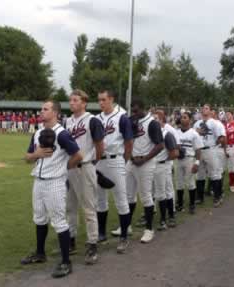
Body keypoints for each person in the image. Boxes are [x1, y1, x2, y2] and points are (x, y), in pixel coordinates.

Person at [21, 99, 82, 279]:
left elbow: (78, 155)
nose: (41, 111)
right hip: (38, 181)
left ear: (55, 112)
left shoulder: (61, 134)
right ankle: (40, 253)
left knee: (59, 221)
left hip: (55, 182)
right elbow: (27, 157)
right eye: (41, 109)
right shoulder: (38, 132)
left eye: (45, 109)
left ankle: (66, 262)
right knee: (39, 217)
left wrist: (64, 168)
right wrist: (36, 154)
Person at [66, 89, 105, 265]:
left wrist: (93, 162)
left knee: (89, 208)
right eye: (71, 100)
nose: (72, 103)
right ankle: (71, 240)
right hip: (70, 168)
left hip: (85, 167)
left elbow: (99, 145)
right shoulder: (68, 121)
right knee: (70, 207)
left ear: (84, 103)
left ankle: (92, 244)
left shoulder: (92, 120)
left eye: (75, 100)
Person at [95, 90, 133, 254]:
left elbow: (129, 141)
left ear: (111, 99)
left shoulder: (122, 117)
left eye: (103, 100)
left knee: (121, 199)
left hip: (116, 158)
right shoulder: (96, 119)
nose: (101, 103)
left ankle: (124, 237)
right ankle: (101, 233)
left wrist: (123, 160)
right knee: (100, 199)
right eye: (99, 100)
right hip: (99, 160)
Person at [126, 98, 164, 243]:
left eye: (136, 110)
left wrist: (145, 159)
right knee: (128, 195)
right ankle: (126, 226)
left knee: (146, 196)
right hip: (132, 161)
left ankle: (149, 230)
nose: (134, 113)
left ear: (143, 108)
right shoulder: (131, 120)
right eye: (132, 110)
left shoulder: (152, 123)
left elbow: (160, 145)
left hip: (145, 162)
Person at [152, 109, 179, 228]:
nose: (153, 121)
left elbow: (174, 152)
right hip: (152, 165)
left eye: (156, 119)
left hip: (163, 165)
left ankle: (167, 218)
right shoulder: (150, 134)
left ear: (162, 120)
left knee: (165, 191)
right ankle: (166, 216)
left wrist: (164, 160)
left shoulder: (166, 133)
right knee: (157, 191)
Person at [175, 112, 203, 214]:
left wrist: (197, 163)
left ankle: (192, 204)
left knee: (190, 183)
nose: (182, 119)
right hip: (178, 159)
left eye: (185, 117)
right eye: (181, 117)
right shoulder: (176, 132)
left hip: (189, 159)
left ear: (190, 120)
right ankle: (180, 204)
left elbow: (198, 150)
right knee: (179, 183)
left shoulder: (194, 133)